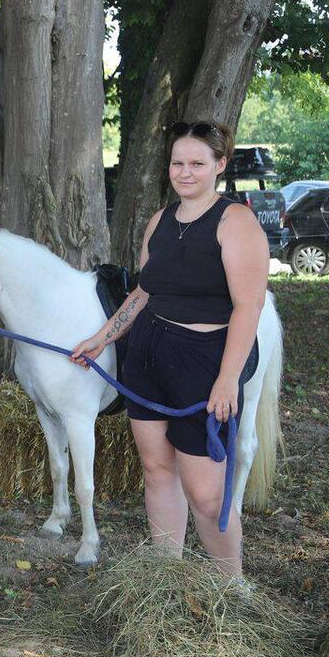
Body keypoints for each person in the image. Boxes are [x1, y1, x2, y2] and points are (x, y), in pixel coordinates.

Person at [71, 121, 267, 577]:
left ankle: (231, 587)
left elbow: (248, 306)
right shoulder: (160, 221)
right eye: (178, 163)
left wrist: (227, 380)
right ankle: (167, 580)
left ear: (220, 164)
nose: (185, 172)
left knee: (207, 494)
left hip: (203, 363)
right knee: (157, 470)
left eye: (197, 163)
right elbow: (143, 292)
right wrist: (101, 339)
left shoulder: (235, 222)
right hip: (148, 356)